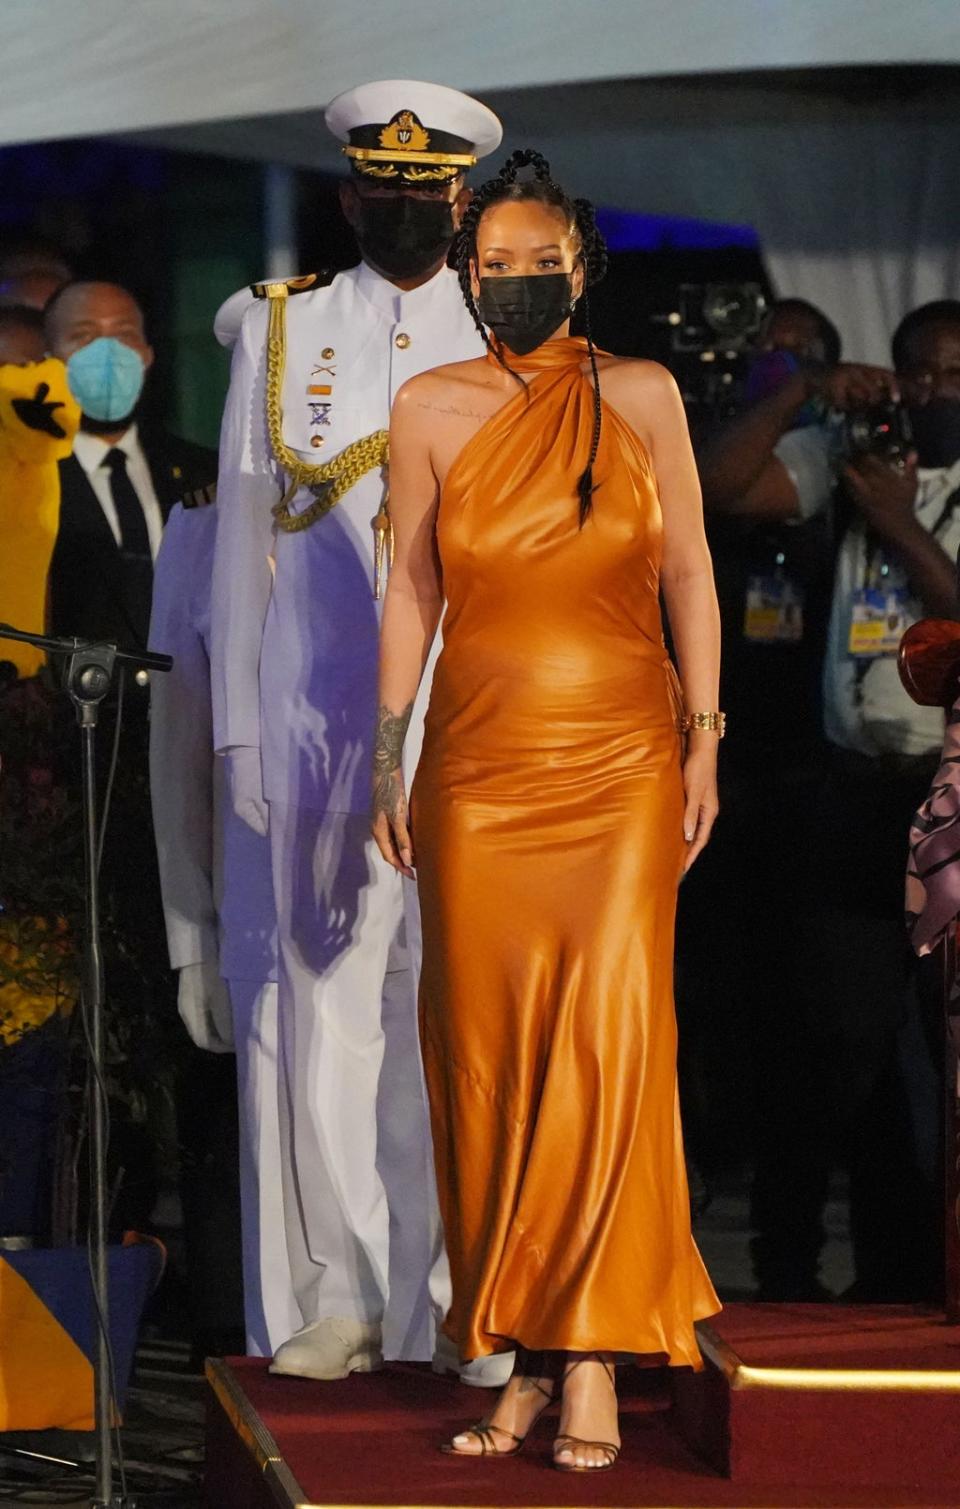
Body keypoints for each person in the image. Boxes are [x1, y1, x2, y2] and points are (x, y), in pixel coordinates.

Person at [372, 150, 721, 1472]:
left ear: (582, 264)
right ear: (466, 271)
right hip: (475, 764)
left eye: (540, 264)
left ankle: (591, 1354)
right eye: (493, 266)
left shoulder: (641, 392)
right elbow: (410, 593)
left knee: (610, 1037)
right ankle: (513, 1344)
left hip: (622, 760)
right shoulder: (427, 406)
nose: (515, 285)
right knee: (489, 1048)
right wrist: (382, 755)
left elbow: (689, 566)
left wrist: (706, 738)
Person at [211, 79, 510, 1385]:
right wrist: (238, 738)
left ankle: (461, 1298)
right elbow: (238, 550)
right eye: (382, 192)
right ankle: (337, 1292)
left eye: (427, 193)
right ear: (351, 198)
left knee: (461, 1017)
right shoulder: (281, 334)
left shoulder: (516, 339)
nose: (406, 212)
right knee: (326, 1011)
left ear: (462, 200)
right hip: (320, 731)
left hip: (474, 729)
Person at [701, 298, 960, 1301]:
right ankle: (855, 1266)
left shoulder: (887, 497)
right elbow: (723, 487)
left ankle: (925, 1269)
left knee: (940, 1047)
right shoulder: (859, 458)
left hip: (946, 793)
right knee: (841, 1042)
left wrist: (898, 526)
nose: (935, 392)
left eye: (953, 373)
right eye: (920, 373)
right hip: (851, 797)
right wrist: (804, 389)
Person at [148, 489, 295, 1356]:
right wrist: (190, 938)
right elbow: (179, 752)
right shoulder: (204, 532)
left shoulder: (419, 492)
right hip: (253, 911)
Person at [46, 280, 216, 650]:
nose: (107, 353)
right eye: (84, 336)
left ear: (148, 354)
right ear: (48, 358)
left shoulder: (204, 471)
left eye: (124, 334)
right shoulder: (28, 479)